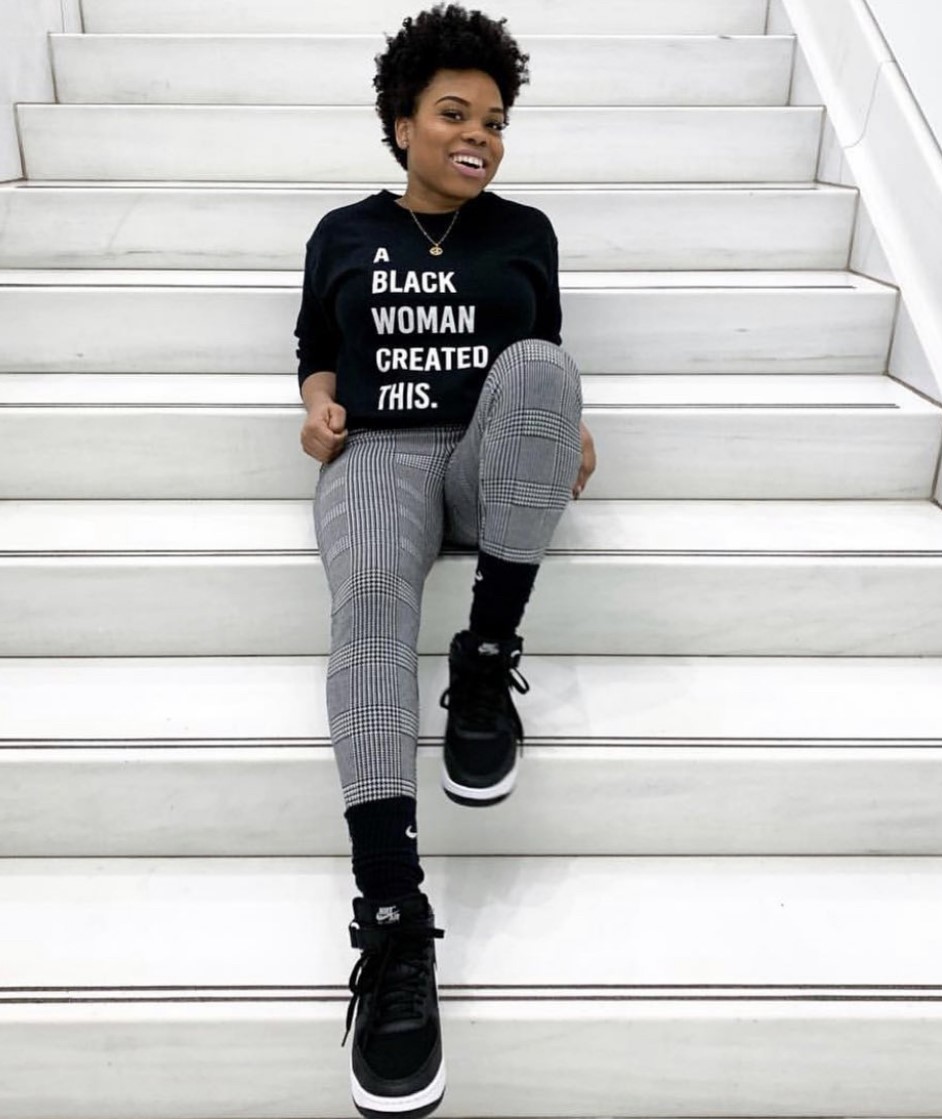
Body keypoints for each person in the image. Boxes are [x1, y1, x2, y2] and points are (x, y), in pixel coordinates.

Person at [294, 5, 596, 1115]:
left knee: (543, 371)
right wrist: (318, 407)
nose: (480, 137)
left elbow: (543, 346)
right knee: (373, 596)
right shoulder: (343, 231)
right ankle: (393, 919)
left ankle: (483, 658)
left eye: (496, 121)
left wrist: (559, 420)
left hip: (478, 460)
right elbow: (316, 349)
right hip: (378, 452)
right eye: (456, 114)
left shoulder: (525, 231)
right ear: (402, 123)